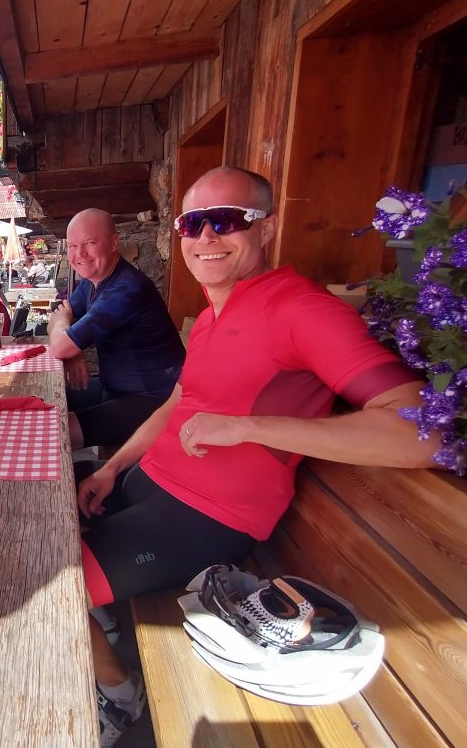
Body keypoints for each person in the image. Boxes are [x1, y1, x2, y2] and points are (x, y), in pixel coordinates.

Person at [74, 167, 438, 746]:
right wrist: (115, 468)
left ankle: (120, 693)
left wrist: (248, 428)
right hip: (149, 485)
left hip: (206, 517)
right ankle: (104, 614)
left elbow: (420, 432)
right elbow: (180, 400)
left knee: (49, 588)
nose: (206, 237)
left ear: (266, 228)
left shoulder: (301, 309)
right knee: (32, 518)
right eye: (193, 223)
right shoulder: (217, 312)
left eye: (228, 221)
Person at [48, 208, 185, 452]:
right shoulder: (92, 282)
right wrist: (73, 347)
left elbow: (60, 343)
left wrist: (69, 341)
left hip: (152, 401)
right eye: (72, 245)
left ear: (114, 243)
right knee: (45, 403)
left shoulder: (126, 290)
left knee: (53, 434)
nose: (79, 254)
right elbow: (58, 314)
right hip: (115, 388)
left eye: (90, 243)